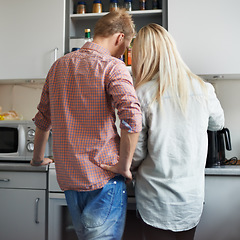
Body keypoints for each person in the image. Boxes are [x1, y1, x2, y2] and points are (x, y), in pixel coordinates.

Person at [30, 9, 142, 240]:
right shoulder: (113, 66)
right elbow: (132, 117)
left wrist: (38, 158)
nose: (124, 52)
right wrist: (124, 165)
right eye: (126, 46)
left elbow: (43, 118)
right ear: (120, 37)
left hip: (70, 180)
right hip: (103, 178)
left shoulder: (58, 66)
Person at [130, 23, 224, 240]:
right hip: (190, 200)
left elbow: (137, 152)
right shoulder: (203, 88)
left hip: (155, 200)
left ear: (143, 57)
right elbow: (218, 124)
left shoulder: (142, 94)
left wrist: (127, 168)